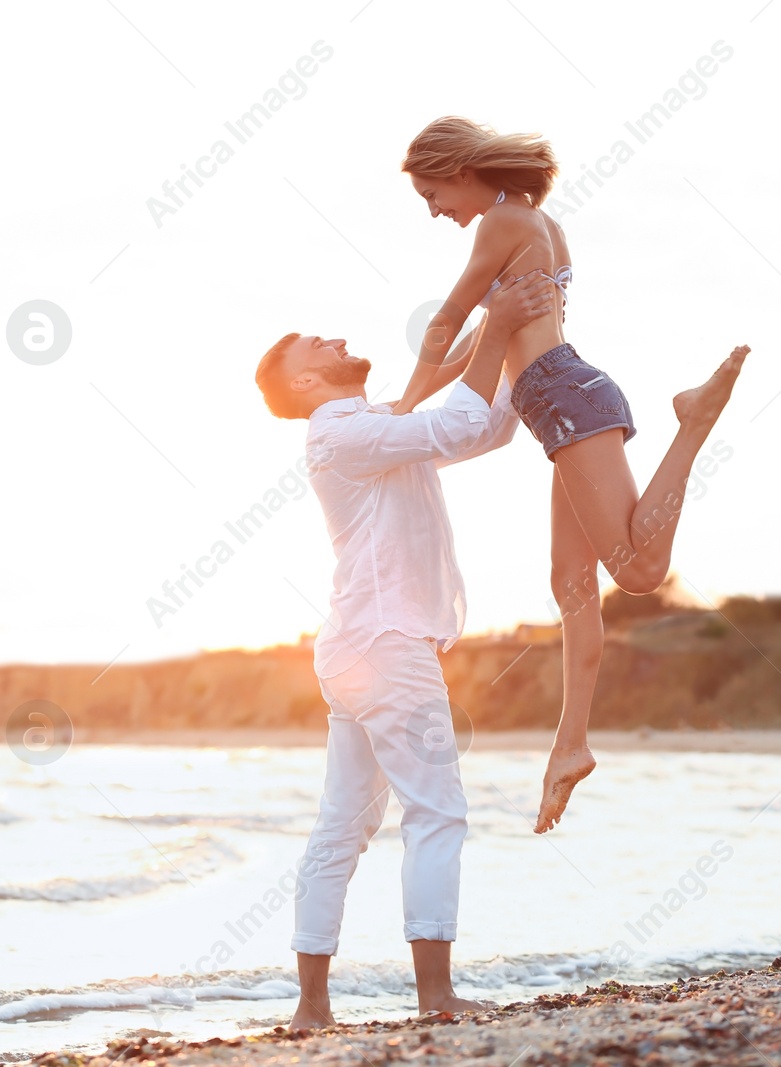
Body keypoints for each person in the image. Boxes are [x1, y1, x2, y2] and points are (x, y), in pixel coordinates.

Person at [392, 116, 750, 834]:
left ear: (461, 171)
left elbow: (448, 322)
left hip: (562, 397)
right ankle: (571, 743)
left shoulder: (496, 224)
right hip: (564, 396)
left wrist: (401, 405)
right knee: (572, 587)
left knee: (639, 570)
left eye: (433, 194)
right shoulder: (536, 223)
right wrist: (410, 405)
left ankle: (694, 422)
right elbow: (479, 339)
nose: (435, 211)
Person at [254, 270, 558, 1030]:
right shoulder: (342, 431)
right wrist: (494, 327)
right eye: (316, 342)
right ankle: (435, 997)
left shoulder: (372, 430)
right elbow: (452, 423)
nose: (334, 338)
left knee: (343, 826)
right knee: (436, 810)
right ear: (306, 378)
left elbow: (482, 427)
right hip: (386, 644)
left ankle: (313, 1008)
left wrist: (513, 338)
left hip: (362, 645)